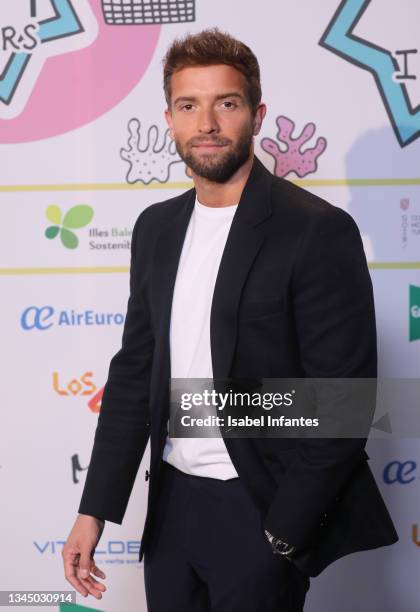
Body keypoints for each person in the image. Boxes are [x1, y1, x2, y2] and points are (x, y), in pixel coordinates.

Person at [62, 28, 398, 611]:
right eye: (189, 106)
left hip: (259, 505)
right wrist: (93, 511)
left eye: (227, 103)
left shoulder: (315, 231)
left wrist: (281, 531)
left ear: (257, 114)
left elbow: (342, 403)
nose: (208, 123)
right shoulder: (156, 228)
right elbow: (136, 373)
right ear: (169, 118)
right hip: (170, 508)